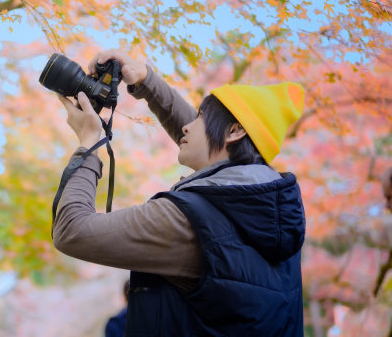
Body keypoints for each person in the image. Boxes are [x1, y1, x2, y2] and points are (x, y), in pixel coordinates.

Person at [52, 49, 306, 336]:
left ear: (235, 131)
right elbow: (213, 152)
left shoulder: (186, 221)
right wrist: (147, 82)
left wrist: (88, 144)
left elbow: (71, 231)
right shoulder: (272, 214)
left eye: (200, 116)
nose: (187, 125)